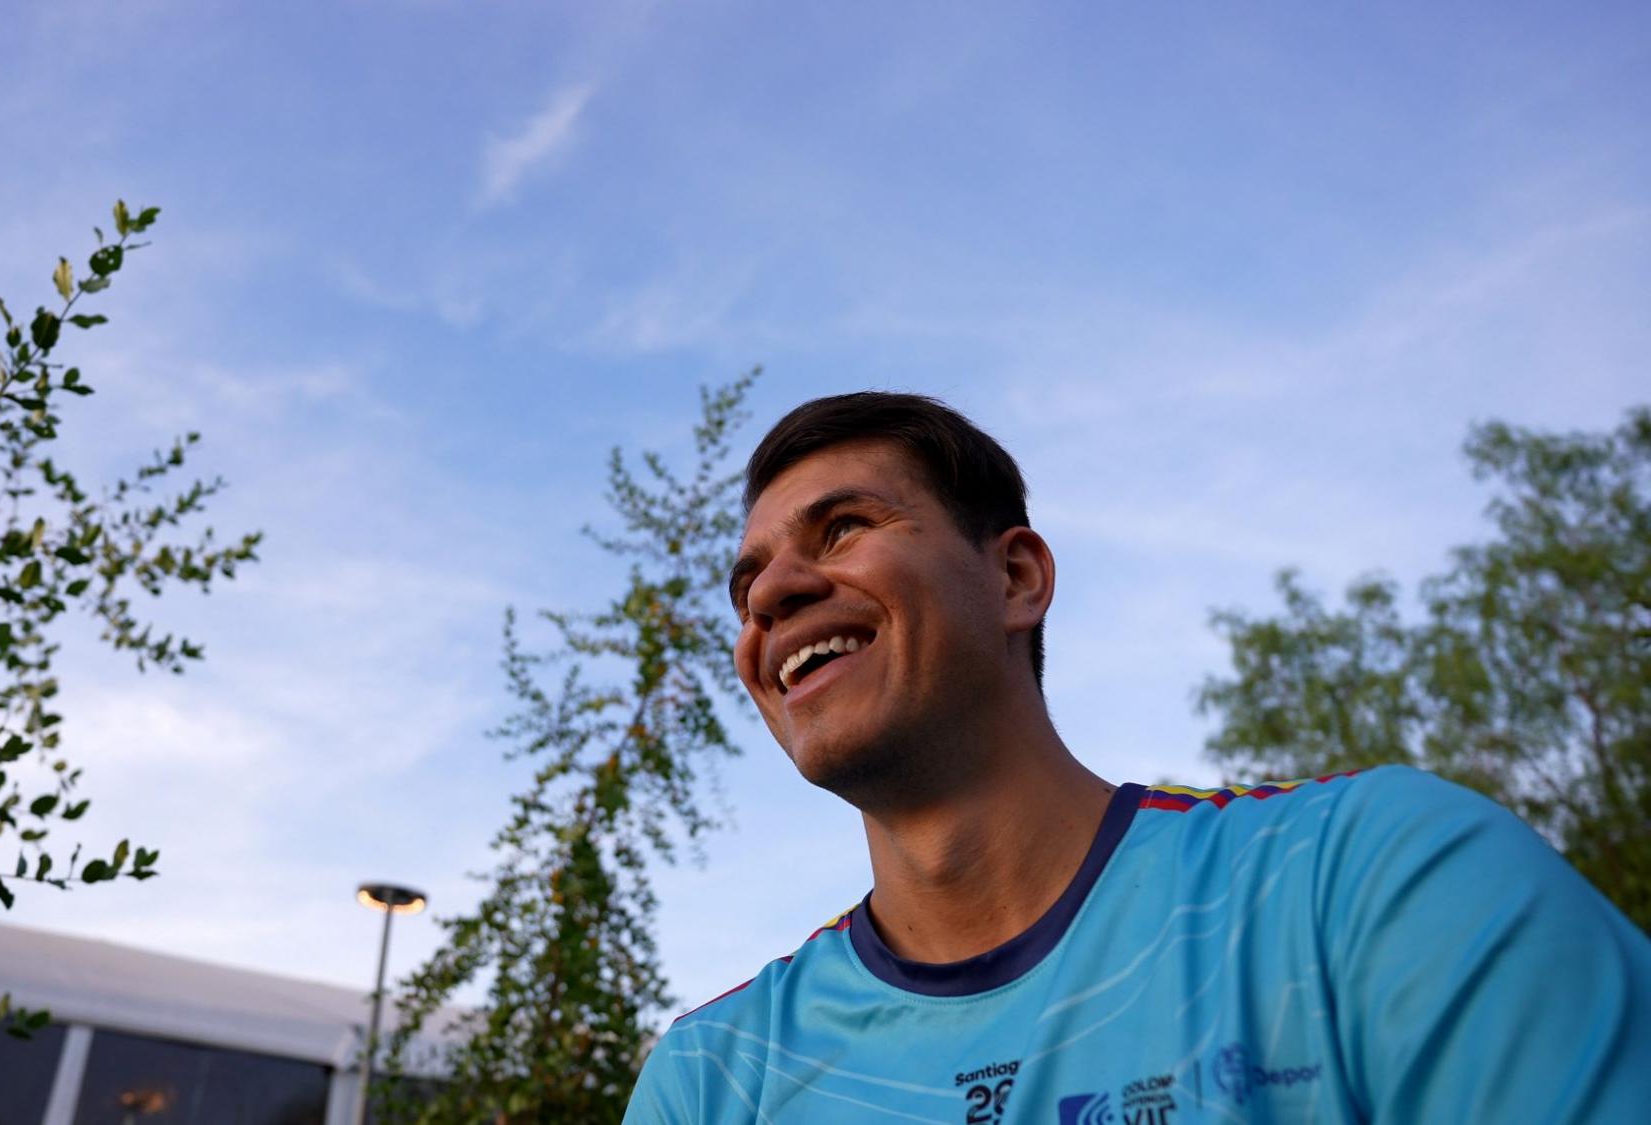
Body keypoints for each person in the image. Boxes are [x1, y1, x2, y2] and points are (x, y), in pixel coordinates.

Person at [622, 392, 1651, 1124]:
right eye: (745, 583)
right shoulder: (713, 1082)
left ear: (1017, 575)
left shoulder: (1371, 881)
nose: (769, 596)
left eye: (842, 529)